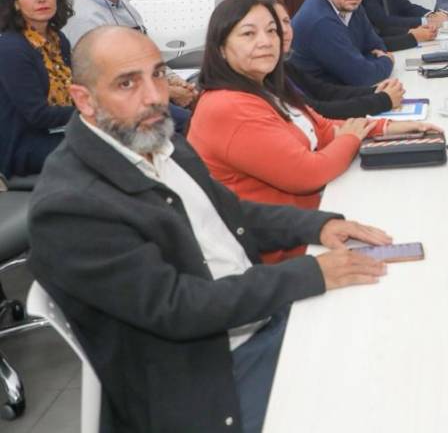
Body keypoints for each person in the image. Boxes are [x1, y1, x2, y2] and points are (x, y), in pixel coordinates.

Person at [28, 25, 395, 433]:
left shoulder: (160, 140)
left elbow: (232, 214)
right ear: (84, 100)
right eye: (126, 83)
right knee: (375, 389)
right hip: (208, 380)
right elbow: (178, 308)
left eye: (158, 74)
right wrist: (311, 273)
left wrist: (321, 225)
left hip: (253, 319)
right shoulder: (71, 206)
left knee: (386, 327)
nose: (153, 96)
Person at [188, 0, 433, 262]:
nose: (266, 41)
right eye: (248, 34)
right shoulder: (226, 107)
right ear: (220, 48)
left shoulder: (263, 86)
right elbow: (308, 173)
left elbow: (324, 128)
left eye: (272, 31)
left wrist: (386, 128)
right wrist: (351, 138)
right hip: (284, 250)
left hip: (317, 217)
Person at [65, 0, 199, 110]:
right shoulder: (86, 18)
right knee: (190, 118)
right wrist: (168, 91)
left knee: (204, 93)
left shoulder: (126, 6)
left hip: (149, 88)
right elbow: (111, 76)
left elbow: (150, 56)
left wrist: (175, 80)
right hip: (122, 102)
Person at [265, 0, 405, 120]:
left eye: (286, 21)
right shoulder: (265, 79)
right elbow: (318, 111)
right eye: (274, 25)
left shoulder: (284, 66)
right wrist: (383, 100)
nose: (284, 30)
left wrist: (375, 91)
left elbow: (324, 91)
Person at [0, 0, 75, 178]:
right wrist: (94, 112)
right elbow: (38, 116)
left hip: (58, 131)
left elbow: (73, 90)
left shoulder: (57, 39)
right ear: (15, 3)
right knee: (109, 150)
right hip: (23, 146)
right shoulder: (11, 48)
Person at [289, 0, 396, 87]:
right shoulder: (320, 21)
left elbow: (377, 46)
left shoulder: (348, 3)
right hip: (316, 105)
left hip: (342, 96)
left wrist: (363, 63)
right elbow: (363, 77)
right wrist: (387, 61)